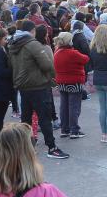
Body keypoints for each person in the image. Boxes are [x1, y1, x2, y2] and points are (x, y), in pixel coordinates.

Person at [8, 20, 69, 159]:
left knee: (26, 118)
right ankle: (52, 147)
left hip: (22, 86)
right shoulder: (32, 44)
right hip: (38, 85)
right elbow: (47, 64)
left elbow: (10, 65)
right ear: (32, 31)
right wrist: (52, 79)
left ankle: (26, 148)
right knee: (44, 117)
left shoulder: (13, 44)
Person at [53, 32, 89, 140]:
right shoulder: (73, 53)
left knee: (64, 106)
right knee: (74, 107)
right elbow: (86, 59)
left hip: (61, 82)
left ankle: (65, 130)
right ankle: (74, 130)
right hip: (74, 82)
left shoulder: (57, 52)